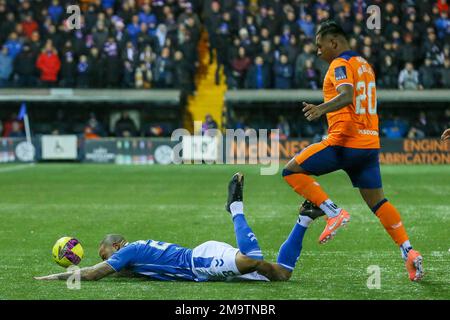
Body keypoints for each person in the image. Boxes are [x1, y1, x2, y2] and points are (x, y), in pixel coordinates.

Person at [283, 20, 424, 282]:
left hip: (344, 142)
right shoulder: (365, 65)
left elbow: (347, 95)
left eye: (319, 46)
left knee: (290, 171)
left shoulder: (340, 64)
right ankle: (409, 251)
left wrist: (321, 109)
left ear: (333, 43)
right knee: (379, 203)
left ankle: (333, 211)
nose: (317, 52)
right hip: (369, 145)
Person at [34, 173, 325, 282]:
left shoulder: (130, 250)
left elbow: (95, 275)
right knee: (281, 274)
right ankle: (305, 218)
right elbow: (125, 271)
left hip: (198, 261)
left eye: (105, 253)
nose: (106, 260)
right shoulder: (133, 261)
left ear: (118, 245)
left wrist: (54, 277)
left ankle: (235, 208)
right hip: (203, 267)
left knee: (253, 258)